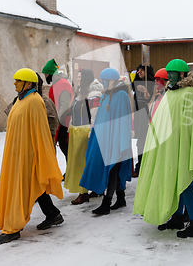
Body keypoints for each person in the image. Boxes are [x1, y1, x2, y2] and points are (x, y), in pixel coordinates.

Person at [133, 59, 193, 238]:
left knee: (188, 183)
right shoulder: (170, 92)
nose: (169, 77)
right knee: (175, 181)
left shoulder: (190, 93)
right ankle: (177, 218)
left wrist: (192, 148)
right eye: (168, 73)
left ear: (182, 74)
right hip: (169, 146)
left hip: (184, 146)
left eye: (172, 73)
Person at [0, 68, 64, 244]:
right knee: (28, 188)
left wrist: (38, 156)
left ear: (29, 83)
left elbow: (40, 131)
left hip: (28, 155)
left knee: (22, 189)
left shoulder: (35, 101)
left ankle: (14, 227)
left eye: (18, 80)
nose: (15, 83)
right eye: (15, 80)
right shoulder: (20, 100)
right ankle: (53, 214)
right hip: (16, 153)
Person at [79, 68, 132, 215]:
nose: (102, 83)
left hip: (115, 140)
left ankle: (106, 204)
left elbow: (123, 120)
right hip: (104, 139)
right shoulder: (104, 95)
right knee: (110, 169)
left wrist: (121, 143)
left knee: (113, 170)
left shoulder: (121, 95)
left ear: (112, 81)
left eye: (104, 80)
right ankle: (120, 199)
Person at [65, 69, 102, 205]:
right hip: (76, 132)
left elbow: (95, 115)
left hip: (85, 133)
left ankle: (83, 192)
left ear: (86, 78)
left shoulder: (93, 95)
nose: (78, 79)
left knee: (83, 164)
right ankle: (95, 188)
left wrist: (91, 132)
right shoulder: (80, 92)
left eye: (80, 77)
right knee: (79, 162)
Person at [42, 58, 73, 166]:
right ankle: (69, 172)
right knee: (64, 148)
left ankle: (71, 173)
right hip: (60, 122)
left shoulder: (62, 83)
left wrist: (57, 121)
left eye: (46, 74)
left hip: (64, 123)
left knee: (66, 148)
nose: (45, 77)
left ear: (51, 73)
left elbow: (65, 105)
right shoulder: (57, 83)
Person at [132, 64, 155, 176]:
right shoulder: (136, 83)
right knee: (140, 140)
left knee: (147, 140)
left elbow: (153, 99)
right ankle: (140, 164)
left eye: (142, 70)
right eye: (138, 70)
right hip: (139, 115)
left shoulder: (152, 83)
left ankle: (146, 165)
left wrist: (147, 93)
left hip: (149, 115)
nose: (139, 72)